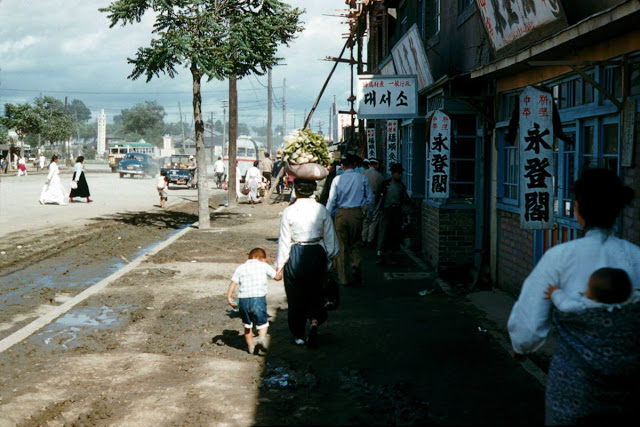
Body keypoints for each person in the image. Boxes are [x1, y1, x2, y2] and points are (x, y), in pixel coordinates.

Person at [507, 168, 640, 425]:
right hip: (630, 387)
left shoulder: (559, 256)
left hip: (574, 387)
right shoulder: (636, 256)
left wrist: (520, 346)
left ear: (577, 209)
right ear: (617, 210)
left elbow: (531, 319)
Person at [276, 178, 339, 347]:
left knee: (295, 295)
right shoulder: (321, 210)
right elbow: (330, 236)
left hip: (295, 253)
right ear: (313, 191)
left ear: (295, 190)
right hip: (316, 253)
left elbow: (284, 240)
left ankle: (298, 335)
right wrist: (332, 256)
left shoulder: (289, 211)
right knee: (316, 291)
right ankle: (314, 323)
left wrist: (279, 266)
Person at [326, 154, 374, 288]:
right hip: (357, 214)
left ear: (342, 166)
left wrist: (327, 217)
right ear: (354, 165)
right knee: (355, 243)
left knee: (342, 247)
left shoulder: (337, 179)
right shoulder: (362, 177)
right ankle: (355, 265)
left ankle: (343, 278)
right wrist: (369, 214)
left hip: (341, 213)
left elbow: (331, 200)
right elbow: (370, 199)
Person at [227, 248, 282, 355]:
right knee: (263, 323)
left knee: (247, 326)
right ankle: (261, 338)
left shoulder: (241, 267)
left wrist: (229, 296)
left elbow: (233, 282)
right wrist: (279, 270)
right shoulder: (263, 265)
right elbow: (277, 277)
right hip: (258, 299)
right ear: (261, 258)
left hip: (243, 300)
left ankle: (251, 347)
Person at [545, 267, 638, 312]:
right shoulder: (629, 302)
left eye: (588, 287)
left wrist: (555, 293)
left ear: (594, 298)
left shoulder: (586, 306)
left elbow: (565, 305)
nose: (586, 289)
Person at [375, 163, 410, 265]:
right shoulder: (385, 184)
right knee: (383, 233)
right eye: (398, 173)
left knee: (395, 234)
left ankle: (393, 255)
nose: (399, 175)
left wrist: (406, 212)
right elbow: (378, 196)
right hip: (386, 211)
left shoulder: (401, 185)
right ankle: (380, 255)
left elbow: (405, 199)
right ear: (393, 173)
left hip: (397, 212)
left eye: (400, 173)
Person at [361, 158, 384, 247]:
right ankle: (370, 240)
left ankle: (363, 239)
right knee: (373, 220)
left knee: (365, 220)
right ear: (377, 165)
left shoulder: (362, 174)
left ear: (369, 165)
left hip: (364, 197)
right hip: (375, 197)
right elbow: (381, 190)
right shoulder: (379, 176)